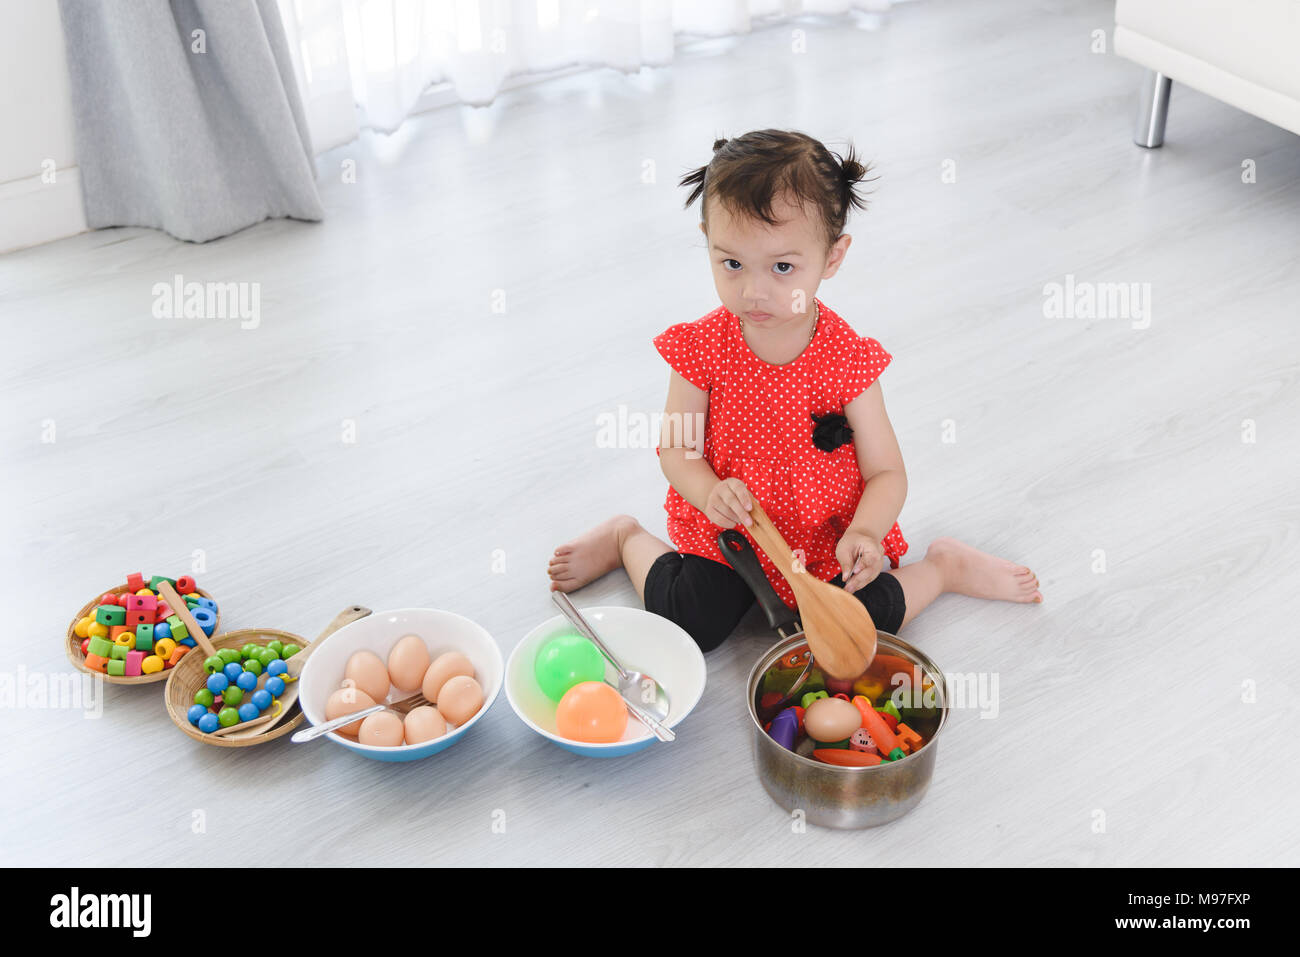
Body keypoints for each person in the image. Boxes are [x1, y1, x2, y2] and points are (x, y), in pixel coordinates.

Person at [548, 129, 1041, 651]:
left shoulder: (847, 359)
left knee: (853, 632)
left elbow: (887, 473)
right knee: (691, 621)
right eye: (731, 263)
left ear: (832, 258)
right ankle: (627, 538)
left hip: (822, 538)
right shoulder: (699, 349)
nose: (753, 290)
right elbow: (677, 451)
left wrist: (867, 532)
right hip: (735, 536)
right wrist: (709, 492)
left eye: (783, 267)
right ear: (707, 241)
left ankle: (942, 568)